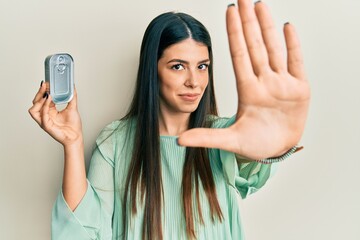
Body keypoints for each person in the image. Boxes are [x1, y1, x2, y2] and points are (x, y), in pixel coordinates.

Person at [28, 0, 310, 239]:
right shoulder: (116, 142)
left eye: (202, 67)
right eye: (178, 66)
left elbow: (252, 161)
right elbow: (82, 234)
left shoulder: (225, 135)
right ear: (154, 70)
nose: (194, 82)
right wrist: (73, 144)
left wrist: (273, 147)